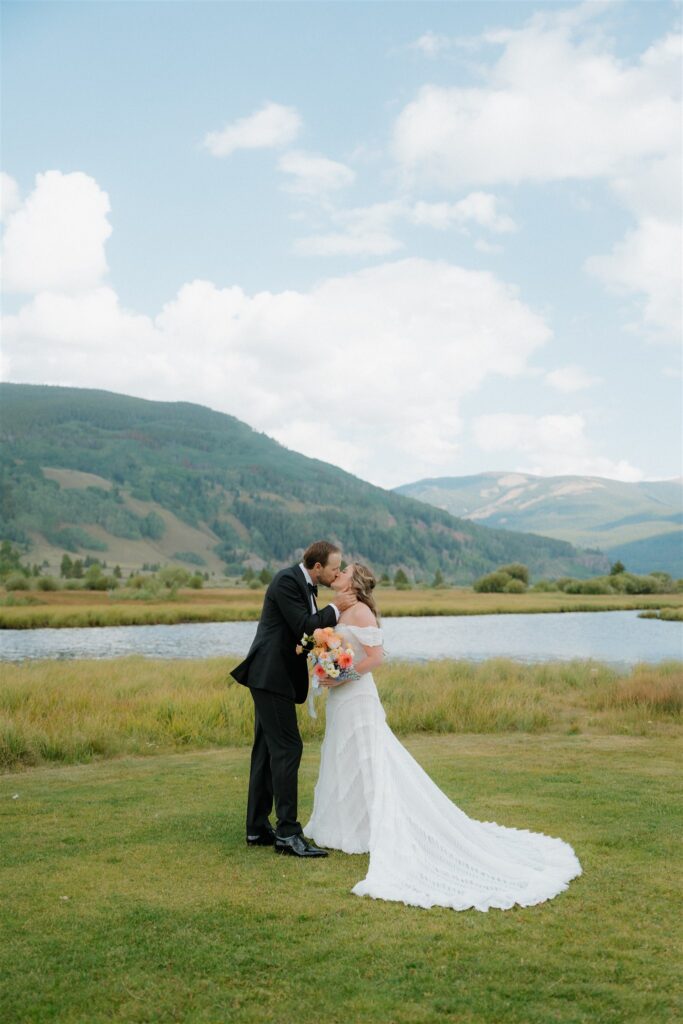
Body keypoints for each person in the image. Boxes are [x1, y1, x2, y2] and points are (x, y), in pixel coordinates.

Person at [304, 563, 583, 911]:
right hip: (340, 698)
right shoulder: (340, 610)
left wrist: (342, 674)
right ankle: (346, 828)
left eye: (343, 572)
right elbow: (332, 647)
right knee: (343, 758)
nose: (337, 574)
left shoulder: (361, 611)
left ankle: (374, 828)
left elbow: (375, 658)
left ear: (354, 583)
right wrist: (324, 665)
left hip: (357, 697)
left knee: (368, 759)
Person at [231, 540, 356, 858]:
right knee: (288, 748)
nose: (337, 572)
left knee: (266, 751)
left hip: (275, 678)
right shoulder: (287, 581)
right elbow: (305, 627)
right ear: (317, 568)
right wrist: (337, 608)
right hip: (270, 677)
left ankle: (257, 828)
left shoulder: (306, 586)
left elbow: (302, 637)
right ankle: (287, 834)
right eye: (334, 568)